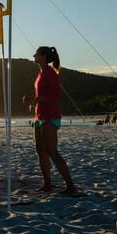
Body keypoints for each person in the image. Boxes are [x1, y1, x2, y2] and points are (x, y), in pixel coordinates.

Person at [22, 46, 77, 195]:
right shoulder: (40, 73)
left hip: (50, 116)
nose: (34, 56)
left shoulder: (50, 73)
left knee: (52, 151)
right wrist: (31, 99)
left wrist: (38, 99)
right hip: (39, 116)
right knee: (40, 151)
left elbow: (56, 95)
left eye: (37, 54)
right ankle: (47, 184)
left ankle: (70, 186)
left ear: (44, 57)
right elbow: (41, 95)